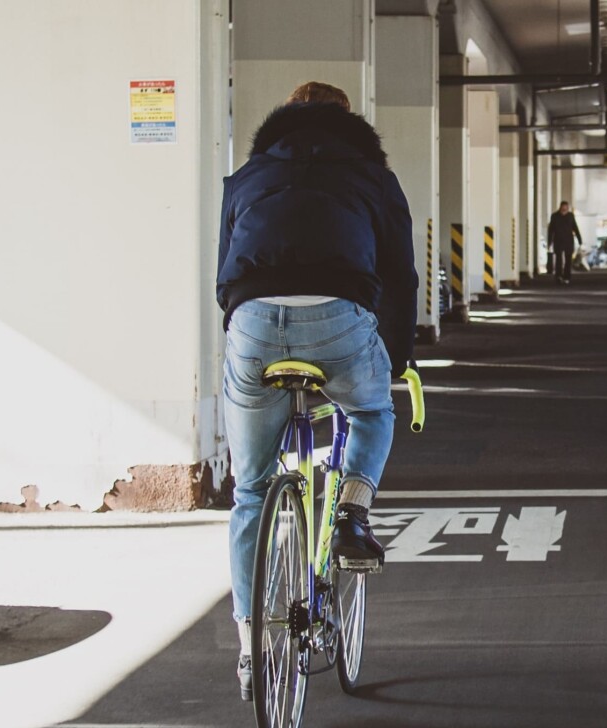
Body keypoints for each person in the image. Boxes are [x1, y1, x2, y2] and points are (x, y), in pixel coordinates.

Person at [216, 81, 418, 701]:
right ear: (346, 122)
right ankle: (351, 515)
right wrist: (396, 359)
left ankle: (252, 646)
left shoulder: (246, 175)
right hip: (339, 319)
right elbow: (400, 276)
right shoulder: (372, 176)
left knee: (250, 489)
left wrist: (243, 329)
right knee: (373, 411)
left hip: (251, 322)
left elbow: (225, 270)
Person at [547, 201, 582, 284]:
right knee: (558, 259)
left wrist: (580, 239)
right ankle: (558, 276)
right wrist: (550, 242)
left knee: (568, 260)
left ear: (568, 208)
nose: (564, 210)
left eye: (566, 208)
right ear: (560, 207)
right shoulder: (554, 216)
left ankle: (567, 277)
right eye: (563, 208)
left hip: (568, 241)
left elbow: (575, 228)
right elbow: (551, 230)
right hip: (558, 240)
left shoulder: (570, 216)